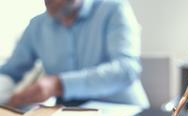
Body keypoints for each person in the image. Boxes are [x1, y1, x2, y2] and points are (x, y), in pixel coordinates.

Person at [0, 0, 149, 108]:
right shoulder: (36, 26)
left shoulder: (114, 9)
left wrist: (58, 84)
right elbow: (10, 71)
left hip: (122, 113)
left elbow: (127, 70)